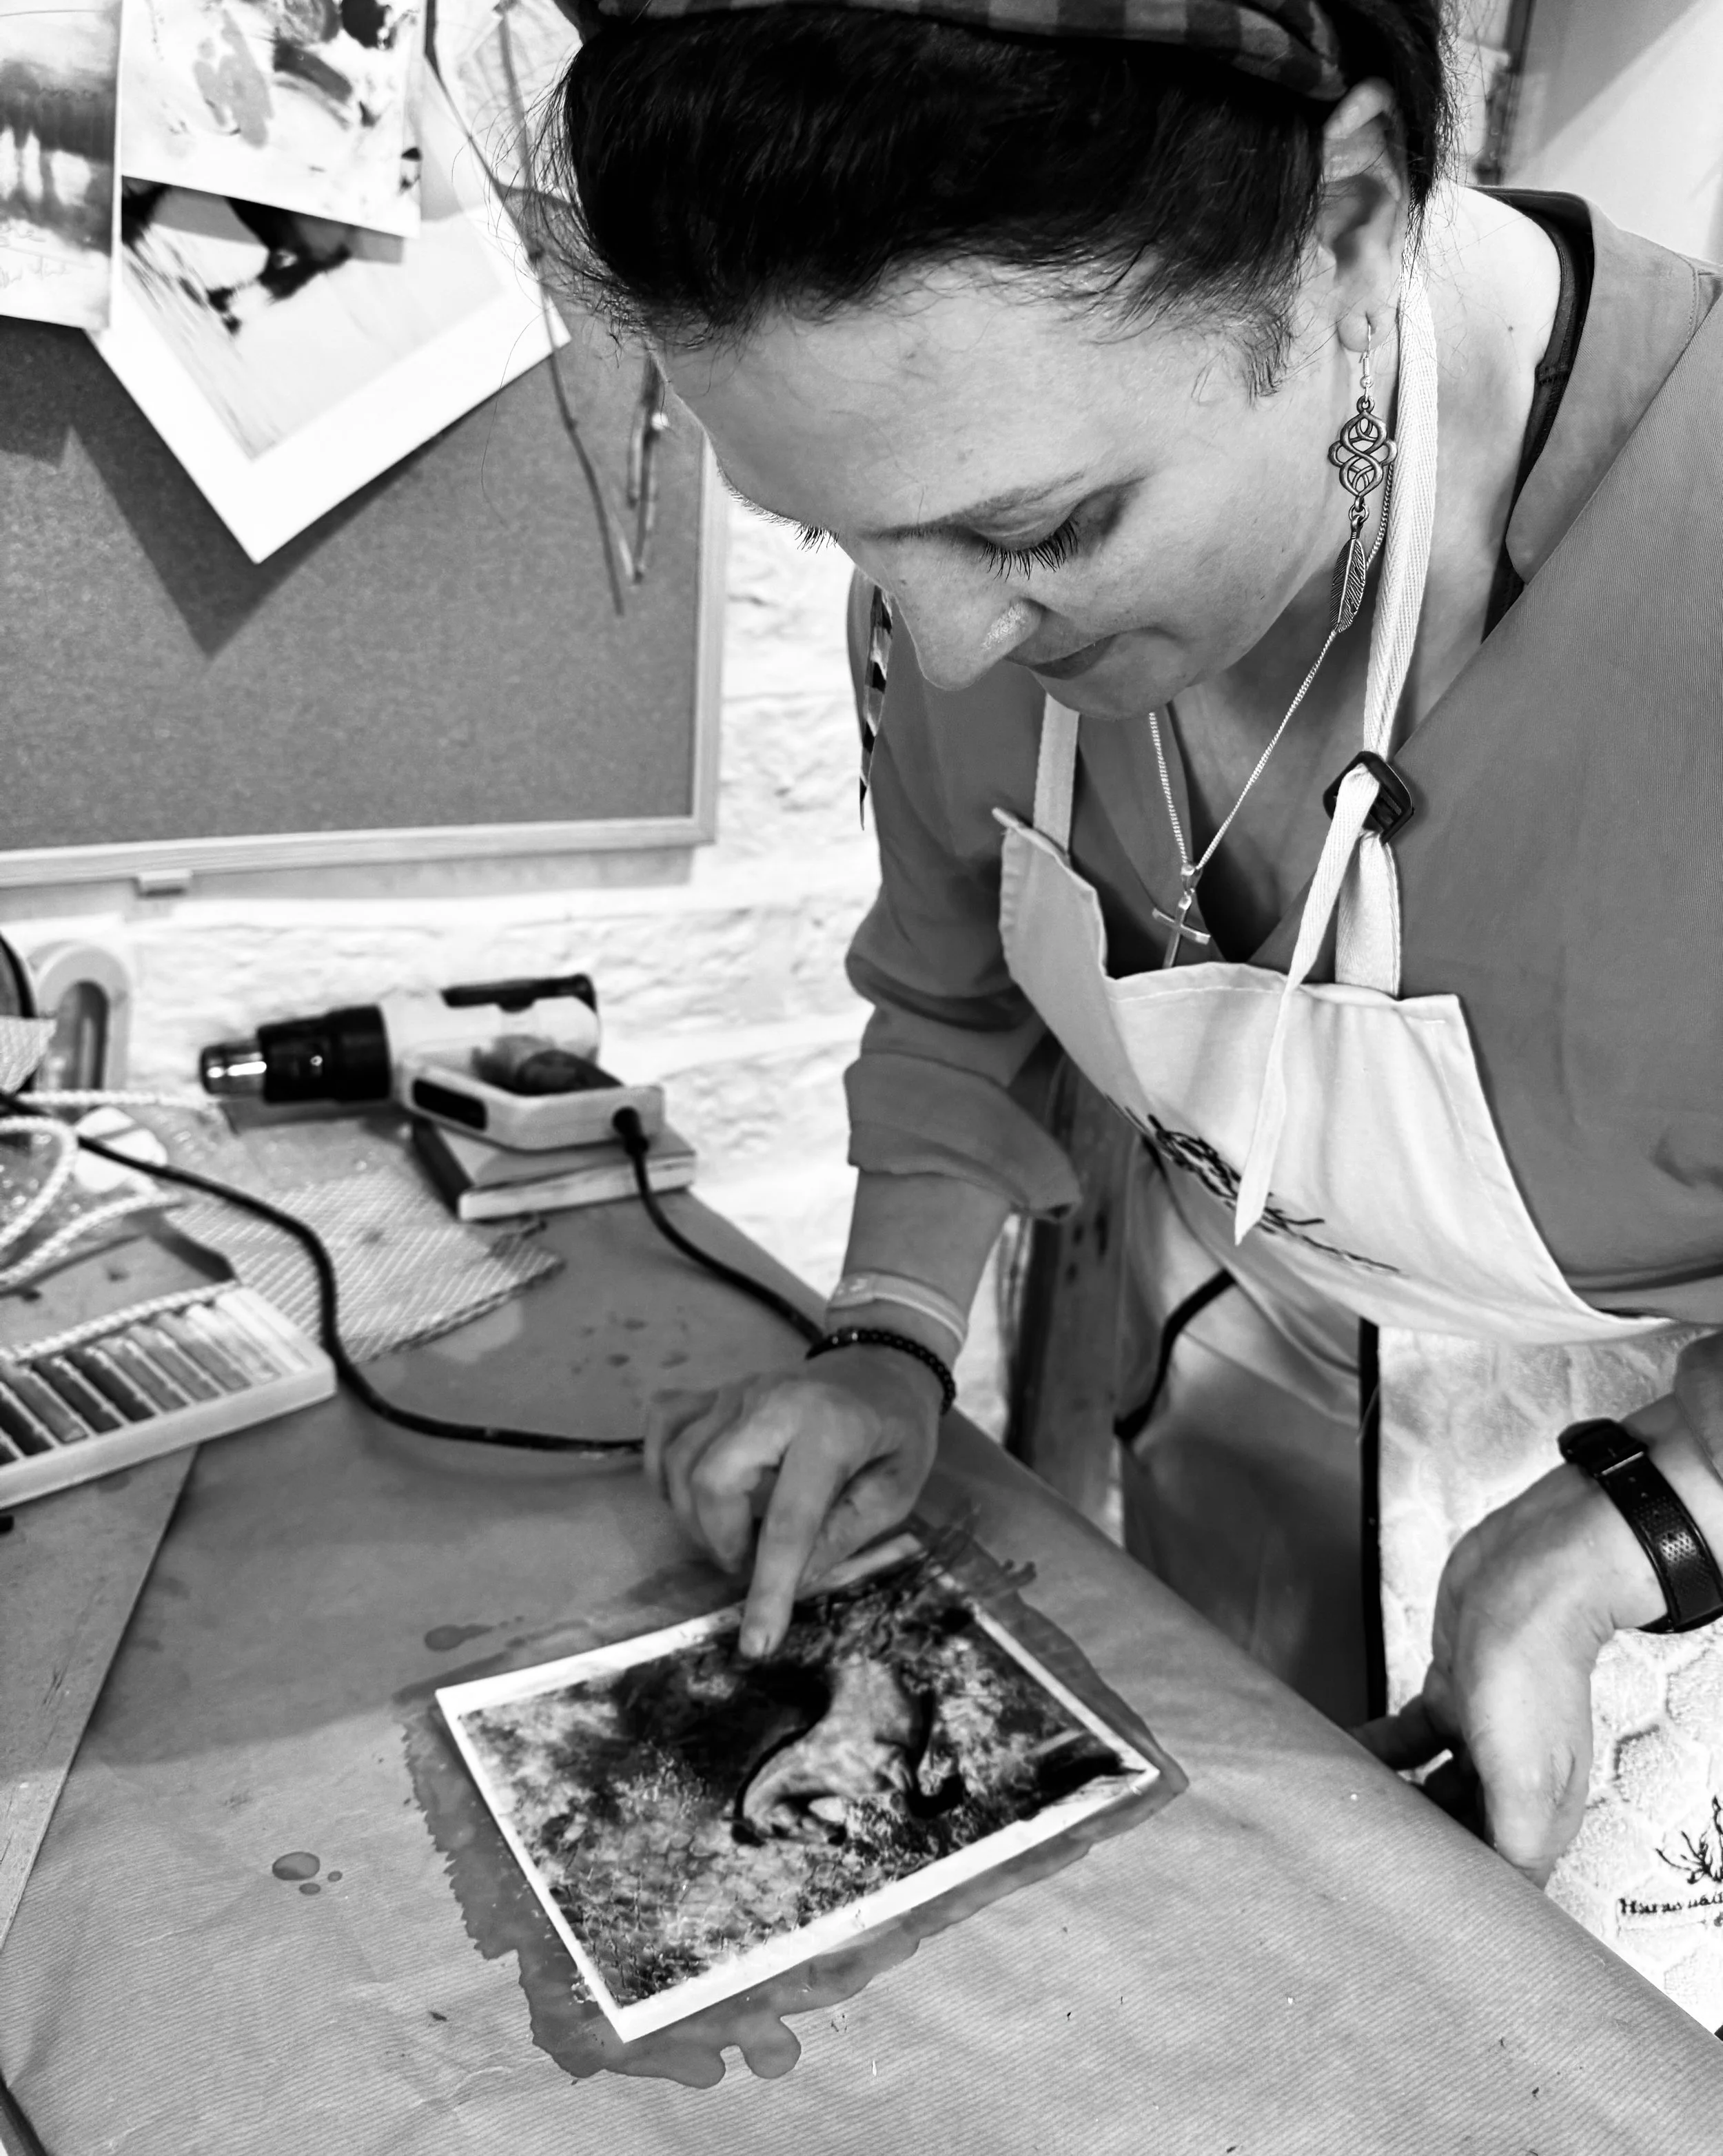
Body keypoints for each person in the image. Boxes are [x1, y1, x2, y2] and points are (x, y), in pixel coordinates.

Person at [542, 0, 1723, 2020]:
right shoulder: (947, 606)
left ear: (1347, 224)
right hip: (1244, 1388)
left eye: (1040, 530)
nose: (938, 638)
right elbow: (946, 999)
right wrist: (886, 1341)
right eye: (844, 538)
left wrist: (1646, 1518)